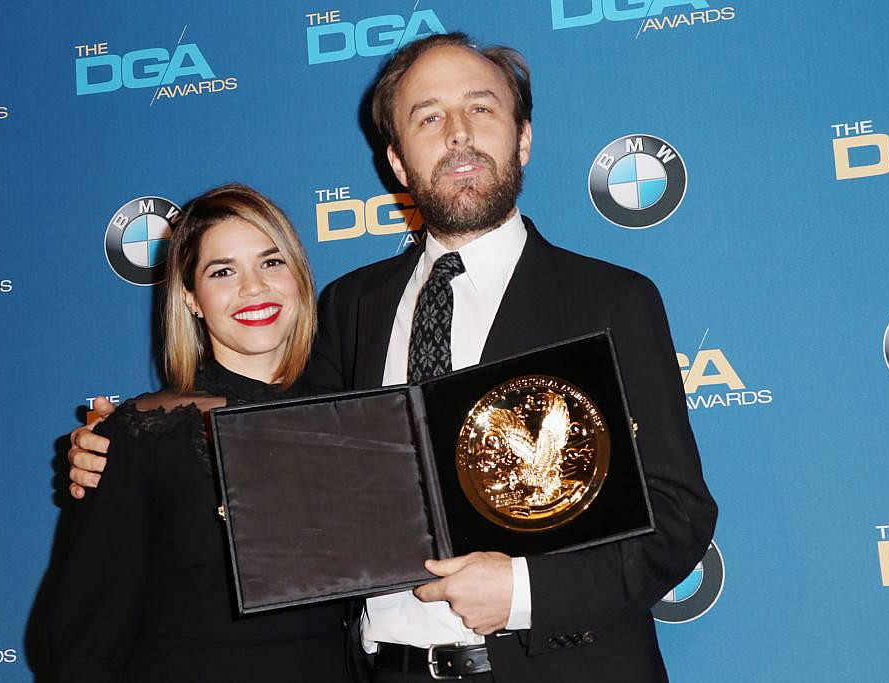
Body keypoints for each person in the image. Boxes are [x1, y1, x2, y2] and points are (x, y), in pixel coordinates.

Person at [69, 33, 717, 682]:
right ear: (398, 162)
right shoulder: (351, 307)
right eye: (428, 117)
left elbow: (679, 511)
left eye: (481, 108)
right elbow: (268, 430)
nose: (457, 133)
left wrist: (524, 591)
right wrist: (122, 442)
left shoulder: (610, 299)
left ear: (523, 138)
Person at [51, 183, 348, 682]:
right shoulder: (143, 435)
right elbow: (87, 640)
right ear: (191, 298)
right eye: (224, 271)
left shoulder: (353, 419)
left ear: (300, 276)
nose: (253, 288)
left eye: (271, 262)